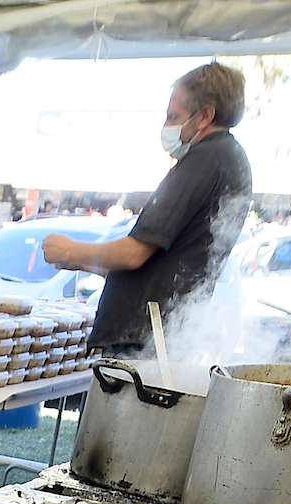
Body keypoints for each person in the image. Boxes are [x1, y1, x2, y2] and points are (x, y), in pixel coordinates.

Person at [39, 62, 253, 357]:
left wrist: (69, 249)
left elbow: (134, 254)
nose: (167, 126)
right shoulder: (228, 158)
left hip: (146, 343)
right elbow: (156, 265)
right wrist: (80, 261)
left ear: (205, 116)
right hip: (164, 337)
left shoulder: (205, 159)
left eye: (174, 116)